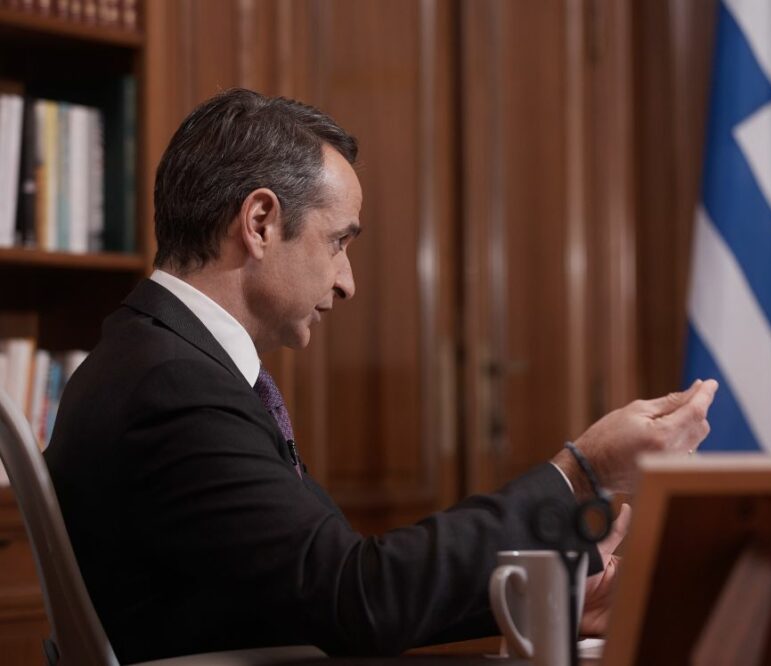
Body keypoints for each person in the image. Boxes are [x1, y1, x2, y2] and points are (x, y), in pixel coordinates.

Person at [44, 88, 717, 662]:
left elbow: (342, 596)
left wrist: (558, 597)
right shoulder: (172, 385)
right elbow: (355, 599)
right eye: (338, 241)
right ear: (260, 222)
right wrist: (579, 473)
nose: (347, 282)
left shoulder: (156, 359)